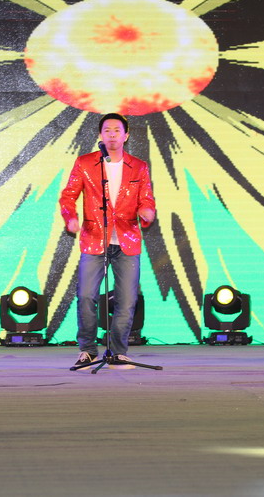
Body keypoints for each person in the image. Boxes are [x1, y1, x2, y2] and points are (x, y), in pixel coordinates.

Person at [60, 113, 156, 368]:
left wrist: (147, 211)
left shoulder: (139, 166)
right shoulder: (85, 163)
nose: (112, 134)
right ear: (100, 135)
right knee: (86, 296)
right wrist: (71, 217)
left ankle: (117, 352)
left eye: (117, 130)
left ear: (126, 135)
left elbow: (146, 198)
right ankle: (88, 350)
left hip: (127, 240)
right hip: (94, 239)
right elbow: (68, 196)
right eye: (107, 130)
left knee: (127, 300)